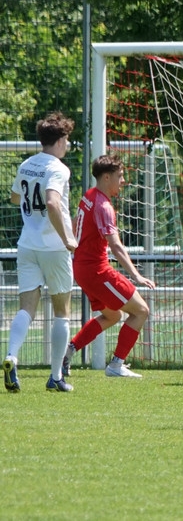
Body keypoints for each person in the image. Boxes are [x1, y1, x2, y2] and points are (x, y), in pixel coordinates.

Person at [63, 154, 155, 379]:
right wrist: (136, 275)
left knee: (113, 316)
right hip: (97, 271)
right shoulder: (104, 206)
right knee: (141, 311)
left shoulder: (89, 196)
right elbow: (115, 245)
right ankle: (116, 364)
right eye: (119, 176)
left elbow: (74, 225)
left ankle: (68, 352)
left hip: (82, 269)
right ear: (106, 177)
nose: (123, 181)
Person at [4, 113, 78, 393]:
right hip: (54, 248)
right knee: (62, 311)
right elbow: (52, 202)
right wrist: (67, 237)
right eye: (67, 139)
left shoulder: (27, 164)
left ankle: (11, 356)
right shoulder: (58, 168)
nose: (67, 144)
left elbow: (15, 197)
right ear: (60, 141)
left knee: (26, 308)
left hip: (27, 245)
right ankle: (56, 376)